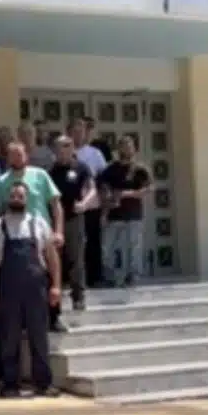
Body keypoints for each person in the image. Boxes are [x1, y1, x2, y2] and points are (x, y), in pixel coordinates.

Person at [0, 181, 62, 399]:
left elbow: (51, 256)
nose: (17, 199)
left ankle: (43, 384)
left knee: (39, 336)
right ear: (7, 199)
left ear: (27, 199)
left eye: (21, 196)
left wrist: (56, 285)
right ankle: (10, 384)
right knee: (9, 337)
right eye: (13, 196)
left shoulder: (39, 223)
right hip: (7, 289)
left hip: (36, 289)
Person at [98, 135, 153, 288]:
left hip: (133, 215)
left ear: (134, 149)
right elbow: (103, 188)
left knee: (134, 247)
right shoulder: (110, 169)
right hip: (113, 214)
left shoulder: (140, 169)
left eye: (130, 146)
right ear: (118, 149)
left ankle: (133, 277)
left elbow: (149, 189)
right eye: (123, 146)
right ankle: (110, 277)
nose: (127, 149)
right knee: (108, 247)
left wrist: (127, 194)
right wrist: (105, 208)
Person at [49, 136, 96, 312]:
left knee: (76, 258)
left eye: (66, 148)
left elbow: (92, 188)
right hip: (54, 219)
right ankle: (56, 298)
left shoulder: (81, 168)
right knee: (55, 258)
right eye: (59, 149)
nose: (62, 153)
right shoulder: (50, 171)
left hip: (74, 218)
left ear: (72, 149)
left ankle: (78, 297)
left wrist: (84, 203)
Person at [74, 118, 109, 287]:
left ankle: (95, 277)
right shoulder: (64, 152)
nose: (78, 134)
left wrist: (105, 206)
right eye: (75, 131)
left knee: (93, 241)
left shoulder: (95, 154)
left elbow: (103, 180)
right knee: (75, 243)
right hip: (73, 204)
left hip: (92, 204)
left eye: (81, 131)